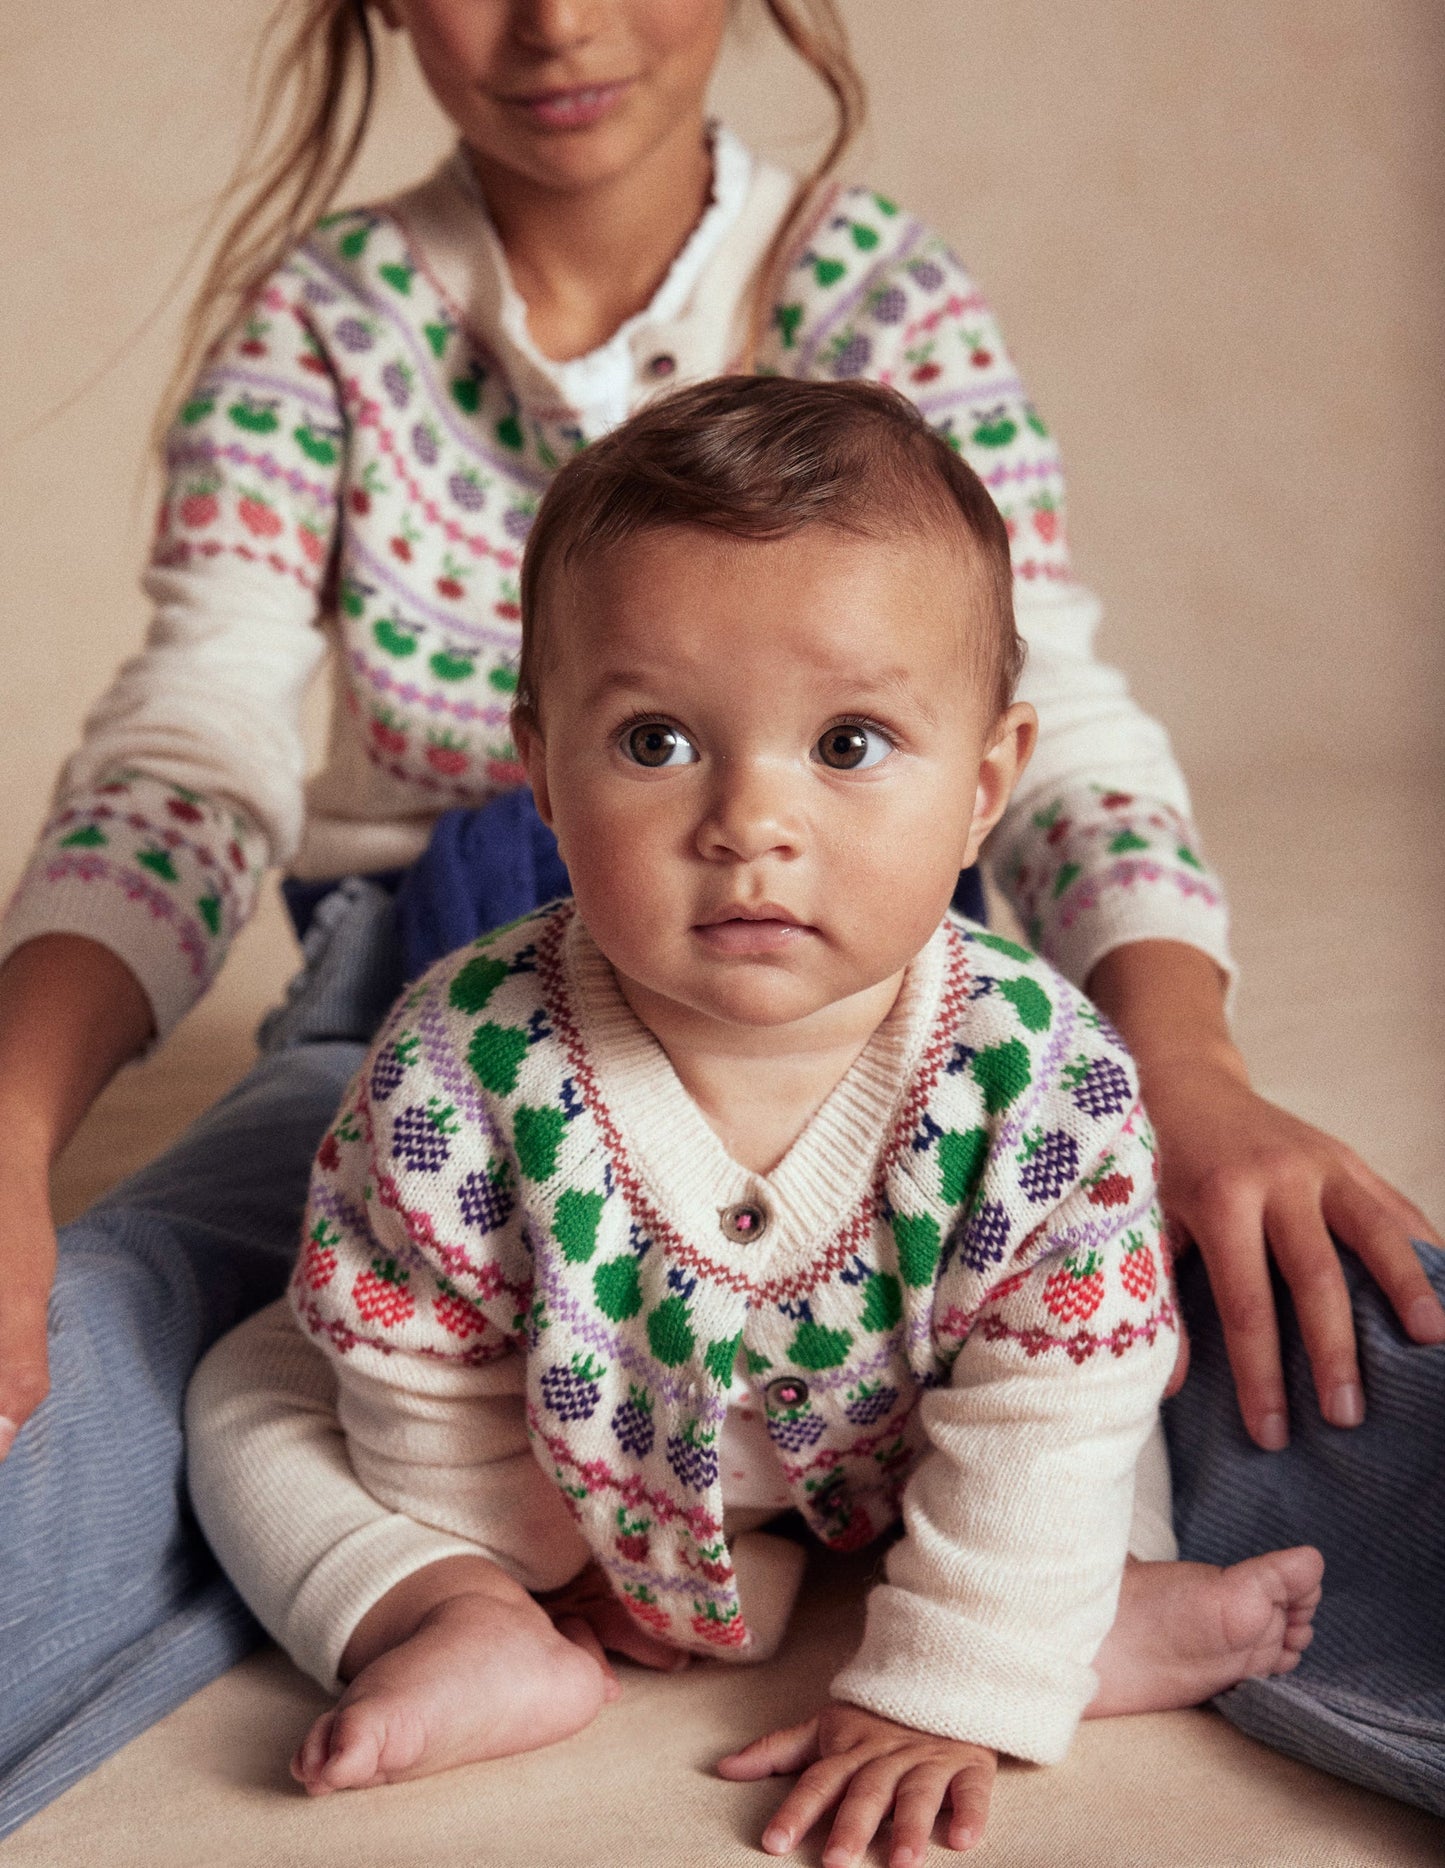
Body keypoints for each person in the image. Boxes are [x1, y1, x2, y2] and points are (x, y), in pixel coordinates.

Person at [0, 0, 1435, 1836]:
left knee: (1296, 1313)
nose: (558, 20)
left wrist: (1187, 1070)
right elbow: (188, 751)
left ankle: (1069, 1607)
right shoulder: (326, 323)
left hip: (872, 993)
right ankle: (442, 1609)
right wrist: (13, 1130)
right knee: (121, 1341)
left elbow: (1050, 713)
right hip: (403, 1005)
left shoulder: (878, 294)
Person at [186, 377, 1322, 1864]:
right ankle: (452, 1616)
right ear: (543, 771)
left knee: (1103, 1385)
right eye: (656, 742)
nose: (749, 825)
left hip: (917, 1432)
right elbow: (417, 1352)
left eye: (848, 745)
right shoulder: (461, 1058)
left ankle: (1062, 1620)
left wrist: (955, 1681)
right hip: (559, 1444)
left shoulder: (1042, 1078)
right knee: (262, 1384)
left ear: (986, 782)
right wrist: (535, 1556)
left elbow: (1052, 1394)